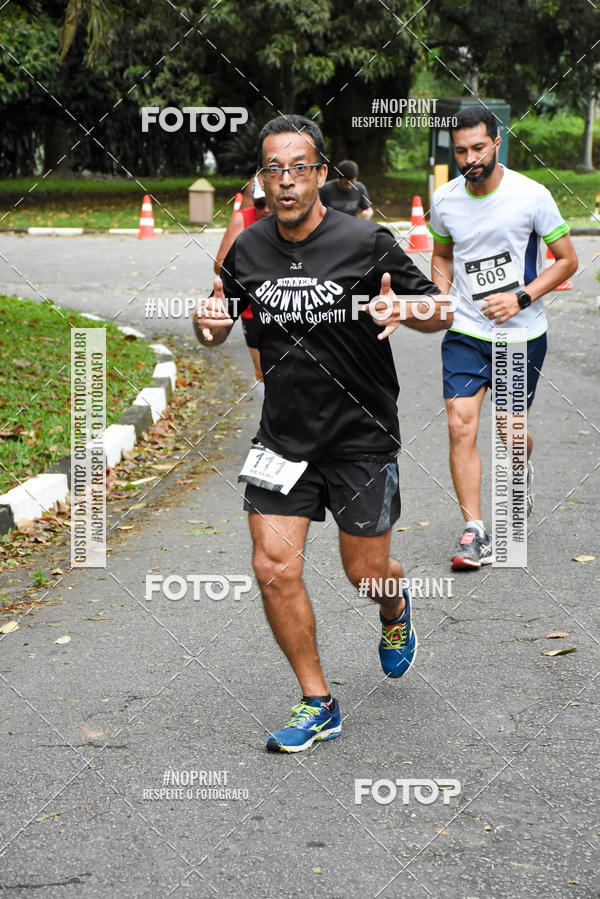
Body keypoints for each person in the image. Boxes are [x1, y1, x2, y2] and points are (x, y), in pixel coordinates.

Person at [194, 114, 453, 753]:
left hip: (361, 435)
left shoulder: (366, 242)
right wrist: (208, 326)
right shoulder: (247, 250)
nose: (285, 182)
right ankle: (318, 701)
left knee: (364, 573)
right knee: (272, 565)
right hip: (283, 438)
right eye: (273, 169)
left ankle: (394, 608)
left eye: (298, 168)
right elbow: (222, 320)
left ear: (320, 174)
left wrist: (407, 308)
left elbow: (441, 309)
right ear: (262, 178)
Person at [429, 106, 578, 571]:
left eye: (478, 147)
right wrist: (439, 297)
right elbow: (441, 253)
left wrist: (521, 298)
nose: (469, 158)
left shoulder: (531, 196)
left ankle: (523, 462)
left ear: (496, 143)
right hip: (466, 330)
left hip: (521, 333)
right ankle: (475, 530)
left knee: (511, 436)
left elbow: (567, 260)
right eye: (460, 151)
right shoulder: (446, 199)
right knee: (461, 424)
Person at [214, 175, 271, 394]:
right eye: (259, 204)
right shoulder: (243, 220)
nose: (265, 209)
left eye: (269, 203)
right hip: (252, 309)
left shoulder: (293, 220)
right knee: (263, 371)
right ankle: (269, 422)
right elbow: (219, 264)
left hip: (290, 305)